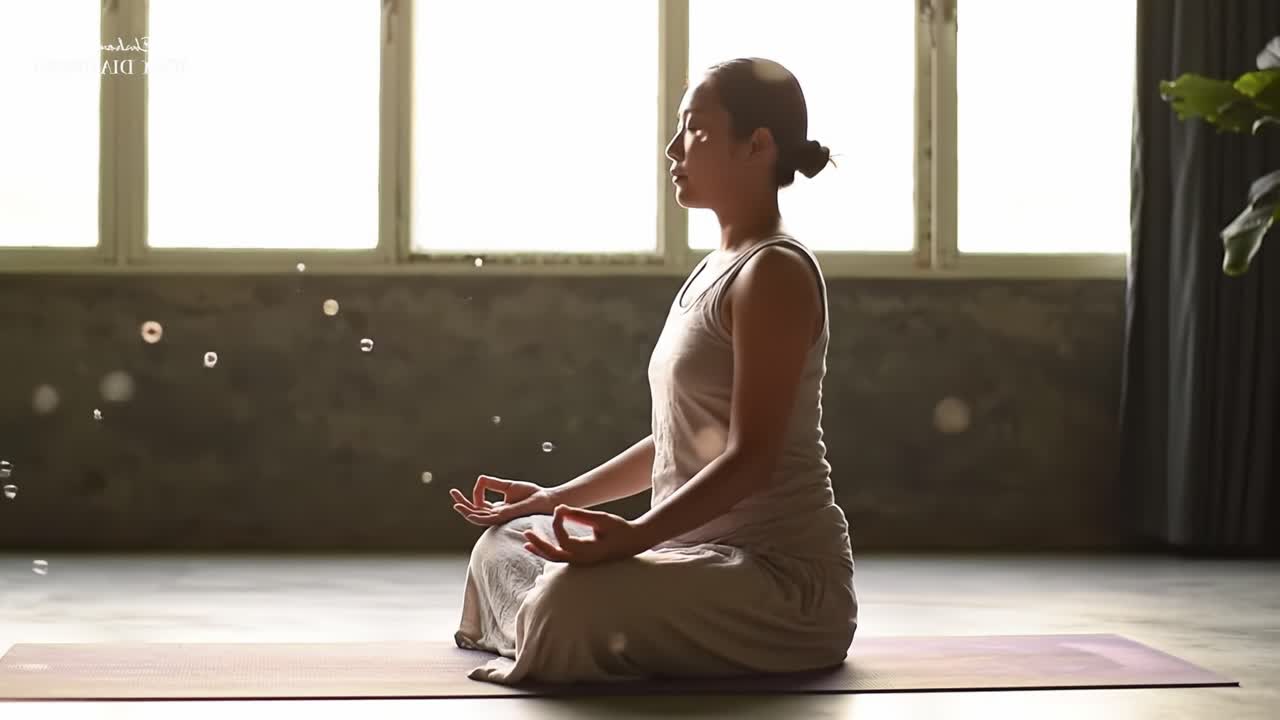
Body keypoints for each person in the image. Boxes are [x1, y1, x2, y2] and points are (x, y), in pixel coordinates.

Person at [448, 57, 857, 685]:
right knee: (506, 541)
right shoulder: (715, 265)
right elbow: (675, 440)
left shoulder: (774, 272)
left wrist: (634, 538)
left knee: (569, 600)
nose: (673, 148)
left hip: (776, 581)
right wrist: (554, 499)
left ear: (758, 145)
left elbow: (752, 457)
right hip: (686, 559)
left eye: (694, 130)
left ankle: (552, 625)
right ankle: (561, 626)